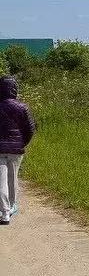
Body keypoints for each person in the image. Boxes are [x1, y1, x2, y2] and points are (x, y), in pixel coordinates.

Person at [1, 75, 35, 225]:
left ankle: (4, 212)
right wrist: (22, 143)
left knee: (1, 180)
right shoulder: (23, 107)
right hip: (16, 149)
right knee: (12, 178)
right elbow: (29, 130)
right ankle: (12, 205)